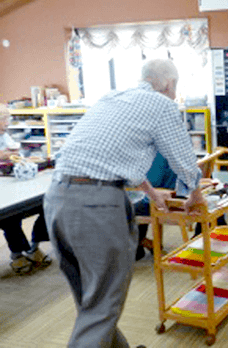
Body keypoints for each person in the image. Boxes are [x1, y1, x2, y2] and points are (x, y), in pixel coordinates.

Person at [43, 59, 206, 348]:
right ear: (170, 85)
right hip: (96, 205)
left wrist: (152, 193)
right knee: (102, 306)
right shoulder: (163, 104)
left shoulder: (113, 97)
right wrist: (196, 192)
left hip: (57, 198)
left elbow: (113, 155)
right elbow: (183, 159)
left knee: (92, 302)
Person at [0, 104, 51, 274]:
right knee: (9, 215)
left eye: (8, 119)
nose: (7, 123)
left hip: (10, 180)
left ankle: (34, 246)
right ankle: (17, 254)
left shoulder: (4, 135)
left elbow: (16, 154)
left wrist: (17, 154)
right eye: (4, 120)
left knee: (47, 202)